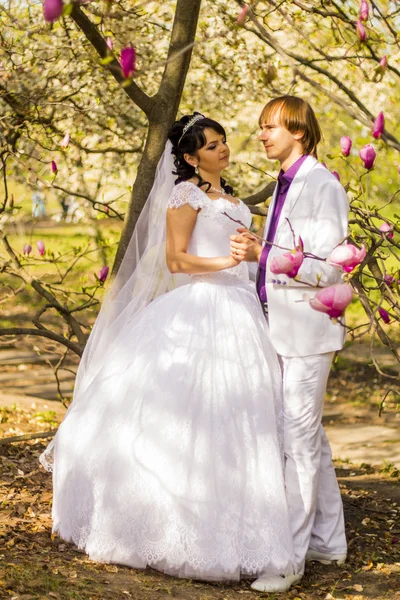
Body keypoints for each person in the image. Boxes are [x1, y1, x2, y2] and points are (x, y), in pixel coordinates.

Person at [40, 113, 296, 583]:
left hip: (241, 312)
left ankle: (239, 526)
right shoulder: (185, 195)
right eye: (212, 144)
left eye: (223, 142)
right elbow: (175, 259)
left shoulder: (234, 200)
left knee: (240, 418)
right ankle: (171, 527)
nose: (223, 149)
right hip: (200, 309)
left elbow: (240, 252)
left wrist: (250, 254)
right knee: (193, 414)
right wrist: (229, 260)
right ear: (189, 156)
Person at [230, 96, 349, 593]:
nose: (261, 135)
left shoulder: (322, 186)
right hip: (275, 330)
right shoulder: (284, 184)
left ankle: (289, 560)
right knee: (309, 440)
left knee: (296, 445)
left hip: (306, 335)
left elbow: (332, 268)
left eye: (270, 127)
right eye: (260, 127)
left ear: (298, 131)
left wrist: (265, 252)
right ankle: (328, 542)